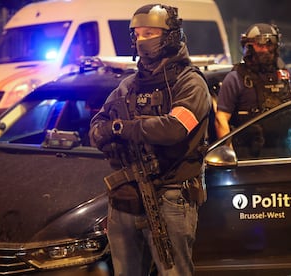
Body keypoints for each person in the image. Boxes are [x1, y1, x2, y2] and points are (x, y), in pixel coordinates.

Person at [89, 4, 211, 276]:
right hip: (125, 196)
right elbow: (98, 125)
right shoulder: (128, 85)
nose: (143, 40)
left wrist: (121, 128)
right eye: (139, 34)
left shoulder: (190, 83)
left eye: (151, 33)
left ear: (170, 36)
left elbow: (174, 128)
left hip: (171, 195)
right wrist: (108, 131)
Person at [215, 23, 291, 158]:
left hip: (283, 154)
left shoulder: (285, 75)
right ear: (249, 46)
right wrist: (229, 156)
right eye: (260, 45)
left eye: (269, 45)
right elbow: (221, 118)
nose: (265, 50)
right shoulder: (236, 78)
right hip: (248, 156)